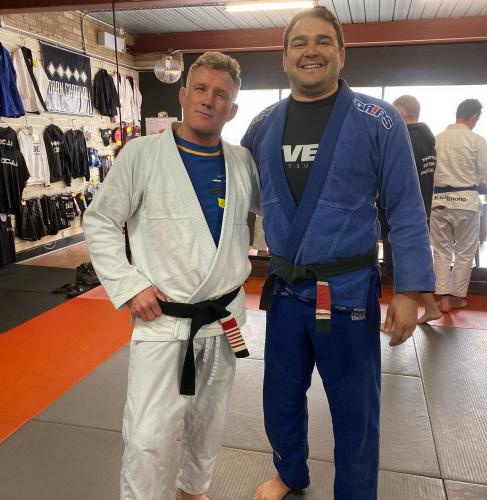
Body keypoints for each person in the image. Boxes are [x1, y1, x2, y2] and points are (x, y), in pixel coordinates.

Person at [241, 7, 435, 500]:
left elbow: (406, 207)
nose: (311, 51)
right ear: (284, 57)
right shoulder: (262, 124)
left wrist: (409, 289)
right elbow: (238, 199)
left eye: (323, 41)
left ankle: (355, 493)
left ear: (342, 53)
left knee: (355, 408)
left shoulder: (378, 119)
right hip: (285, 290)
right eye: (299, 42)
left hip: (347, 292)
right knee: (280, 396)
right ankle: (290, 473)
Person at [83, 52, 260, 500]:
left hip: (224, 318)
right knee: (148, 435)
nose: (208, 100)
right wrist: (129, 285)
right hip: (163, 319)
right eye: (200, 89)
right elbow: (100, 220)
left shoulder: (242, 161)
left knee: (209, 420)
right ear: (183, 95)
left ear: (232, 109)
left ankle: (193, 491)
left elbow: (262, 220)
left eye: (220, 95)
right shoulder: (142, 154)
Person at [378, 94, 441, 324]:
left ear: (401, 113)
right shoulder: (427, 140)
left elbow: (396, 180)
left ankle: (396, 318)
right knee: (412, 259)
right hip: (421, 207)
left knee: (399, 261)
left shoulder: (405, 140)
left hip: (400, 212)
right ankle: (431, 308)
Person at [430, 99, 487, 312]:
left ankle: (442, 298)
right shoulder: (476, 140)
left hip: (438, 201)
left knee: (441, 251)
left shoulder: (437, 139)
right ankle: (456, 298)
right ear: (474, 117)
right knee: (465, 252)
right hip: (466, 202)